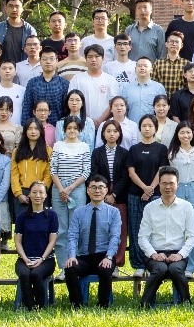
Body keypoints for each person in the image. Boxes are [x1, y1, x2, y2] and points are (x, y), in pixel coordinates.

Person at [136, 166, 194, 308]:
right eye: (164, 183)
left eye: (171, 183)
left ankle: (186, 302)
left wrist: (180, 254)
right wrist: (153, 254)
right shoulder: (150, 208)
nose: (168, 187)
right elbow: (142, 237)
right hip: (155, 253)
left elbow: (192, 236)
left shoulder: (187, 207)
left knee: (175, 269)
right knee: (161, 269)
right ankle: (145, 303)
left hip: (178, 253)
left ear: (177, 184)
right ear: (159, 184)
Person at [64, 175, 124, 308]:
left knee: (105, 269)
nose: (97, 190)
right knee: (70, 268)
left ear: (106, 190)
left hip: (104, 255)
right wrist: (72, 256)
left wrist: (109, 257)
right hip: (84, 256)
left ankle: (103, 305)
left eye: (101, 187)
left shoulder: (114, 212)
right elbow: (72, 236)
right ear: (87, 190)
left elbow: (115, 237)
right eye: (93, 187)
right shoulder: (79, 212)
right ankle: (77, 305)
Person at [125, 115, 167, 270]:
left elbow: (161, 170)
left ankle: (153, 263)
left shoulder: (161, 149)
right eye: (144, 126)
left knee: (155, 230)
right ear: (140, 128)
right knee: (136, 229)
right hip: (135, 195)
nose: (147, 128)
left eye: (150, 126)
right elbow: (131, 172)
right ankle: (138, 264)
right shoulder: (133, 149)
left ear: (155, 128)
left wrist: (150, 189)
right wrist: (144, 188)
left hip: (155, 195)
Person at [50, 118, 91, 269]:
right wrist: (62, 189)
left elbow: (86, 171)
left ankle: (75, 264)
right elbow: (53, 169)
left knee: (76, 227)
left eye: (75, 128)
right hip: (58, 189)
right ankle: (63, 266)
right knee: (61, 229)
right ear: (64, 130)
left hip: (77, 189)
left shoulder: (84, 147)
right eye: (69, 128)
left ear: (79, 130)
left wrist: (70, 188)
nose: (72, 131)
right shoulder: (58, 145)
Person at [13, 180, 58, 310]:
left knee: (36, 274)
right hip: (24, 259)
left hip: (46, 260)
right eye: (34, 192)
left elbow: (52, 241)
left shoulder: (52, 215)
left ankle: (40, 306)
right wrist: (25, 259)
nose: (38, 195)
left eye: (41, 192)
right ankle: (29, 306)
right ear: (29, 195)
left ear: (45, 195)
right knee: (24, 274)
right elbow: (17, 241)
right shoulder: (22, 216)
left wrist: (42, 259)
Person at [168, 123, 194, 276]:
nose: (185, 135)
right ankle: (177, 263)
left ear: (192, 134)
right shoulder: (172, 153)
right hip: (177, 188)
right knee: (177, 226)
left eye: (188, 132)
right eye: (182, 132)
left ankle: (192, 266)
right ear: (177, 134)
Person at [91, 119, 130, 266]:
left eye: (115, 131)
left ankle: (117, 261)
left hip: (119, 194)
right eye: (108, 131)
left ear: (119, 134)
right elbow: (94, 174)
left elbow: (126, 176)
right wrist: (104, 192)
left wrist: (114, 194)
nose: (112, 134)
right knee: (102, 228)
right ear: (103, 134)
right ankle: (102, 260)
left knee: (120, 228)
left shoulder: (124, 153)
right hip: (101, 192)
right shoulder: (97, 152)